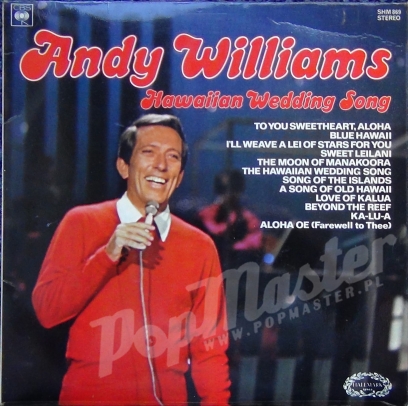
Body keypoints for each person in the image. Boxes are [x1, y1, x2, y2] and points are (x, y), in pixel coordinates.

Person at [32, 114, 230, 405]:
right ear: (123, 166)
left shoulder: (200, 246)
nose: (161, 165)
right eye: (149, 152)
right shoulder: (82, 222)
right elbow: (47, 311)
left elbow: (210, 351)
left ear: (180, 177)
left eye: (172, 156)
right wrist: (107, 255)